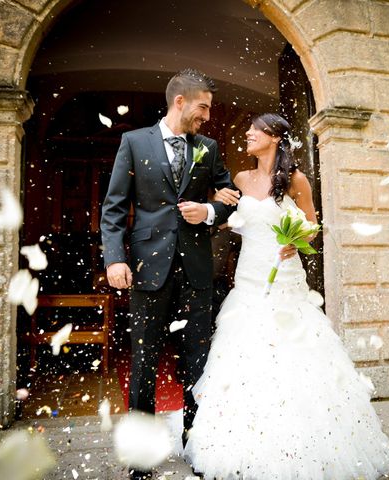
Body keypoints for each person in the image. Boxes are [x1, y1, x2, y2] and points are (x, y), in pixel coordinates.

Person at [183, 113, 389, 480]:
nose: (247, 134)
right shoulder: (241, 179)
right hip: (249, 279)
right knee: (245, 355)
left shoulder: (296, 180)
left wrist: (295, 242)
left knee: (293, 354)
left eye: (255, 130)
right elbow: (228, 219)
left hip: (285, 280)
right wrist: (212, 207)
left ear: (275, 137)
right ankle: (241, 443)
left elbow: (313, 226)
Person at [100, 69, 234, 479]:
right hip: (146, 267)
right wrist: (114, 258)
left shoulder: (208, 148)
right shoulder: (133, 141)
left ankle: (197, 444)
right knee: (143, 358)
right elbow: (114, 207)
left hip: (196, 269)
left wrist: (209, 211)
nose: (207, 116)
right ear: (180, 101)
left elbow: (231, 197)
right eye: (203, 107)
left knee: (198, 359)